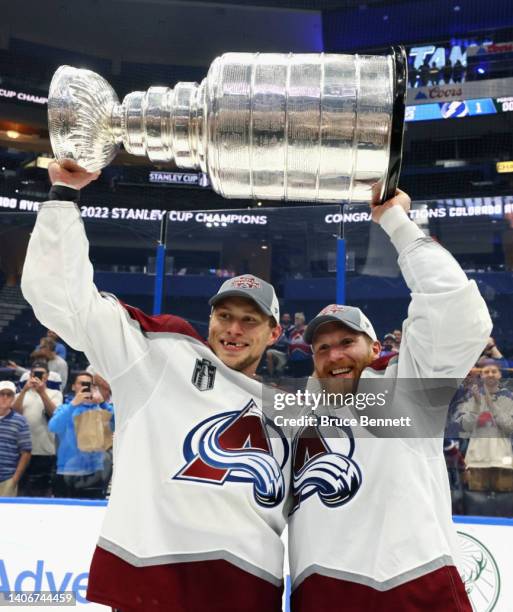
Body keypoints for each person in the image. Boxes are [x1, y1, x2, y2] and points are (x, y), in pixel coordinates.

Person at [21, 160, 288, 612]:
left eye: (249, 320)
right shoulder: (162, 356)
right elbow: (64, 302)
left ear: (274, 332)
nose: (233, 330)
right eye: (224, 316)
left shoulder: (290, 409)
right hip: (153, 589)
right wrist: (64, 197)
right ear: (210, 319)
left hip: (248, 592)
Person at [288, 190, 492, 611]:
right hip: (321, 591)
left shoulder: (409, 387)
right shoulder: (295, 415)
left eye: (347, 342)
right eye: (322, 349)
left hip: (414, 586)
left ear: (375, 346)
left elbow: (454, 309)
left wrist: (397, 223)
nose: (334, 355)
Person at [49, 371, 114, 499]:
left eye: (90, 384)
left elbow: (120, 421)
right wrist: (74, 404)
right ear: (73, 387)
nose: (86, 387)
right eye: (82, 384)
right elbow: (54, 427)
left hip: (95, 472)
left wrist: (103, 403)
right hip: (67, 471)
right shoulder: (64, 408)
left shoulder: (102, 409)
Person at [457, 361, 513, 492]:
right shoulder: (469, 397)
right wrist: (477, 405)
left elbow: (510, 426)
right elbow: (465, 427)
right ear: (481, 376)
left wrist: (490, 403)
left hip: (502, 460)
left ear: (500, 375)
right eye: (486, 372)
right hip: (476, 460)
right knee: (476, 503)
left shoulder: (509, 398)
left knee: (504, 506)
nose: (490, 374)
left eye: (494, 371)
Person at [13, 361, 62, 496]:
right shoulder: (19, 395)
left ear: (47, 376)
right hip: (21, 452)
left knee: (43, 492)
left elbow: (55, 414)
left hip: (45, 451)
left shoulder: (55, 394)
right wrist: (24, 390)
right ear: (30, 375)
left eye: (42, 374)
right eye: (35, 374)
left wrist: (42, 392)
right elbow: (14, 414)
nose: (39, 376)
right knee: (20, 491)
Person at [0, 381, 31, 497]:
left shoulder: (20, 421)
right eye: (1, 394)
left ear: (13, 398)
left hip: (7, 480)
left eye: (9, 395)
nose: (5, 397)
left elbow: (26, 453)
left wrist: (15, 479)